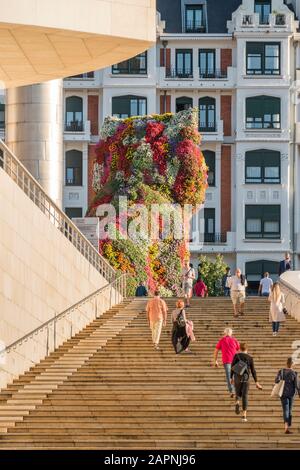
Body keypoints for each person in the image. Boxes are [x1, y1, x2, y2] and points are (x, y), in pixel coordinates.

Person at [231, 343, 263, 422]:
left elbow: (232, 367)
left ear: (240, 349)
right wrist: (256, 382)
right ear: (247, 349)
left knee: (237, 392)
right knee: (245, 395)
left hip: (237, 376)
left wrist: (231, 377)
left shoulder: (236, 356)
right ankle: (244, 416)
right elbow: (253, 371)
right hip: (246, 378)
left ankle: (237, 403)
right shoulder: (250, 358)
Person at [274, 357, 300, 434]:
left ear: (286, 363)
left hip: (283, 393)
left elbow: (276, 380)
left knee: (285, 410)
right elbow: (297, 385)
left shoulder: (281, 371)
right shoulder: (294, 373)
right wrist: (299, 393)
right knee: (290, 410)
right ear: (292, 364)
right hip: (291, 394)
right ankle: (288, 426)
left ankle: (286, 427)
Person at [214, 328, 240, 397]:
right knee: (234, 376)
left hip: (227, 361)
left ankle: (232, 391)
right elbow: (238, 349)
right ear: (231, 333)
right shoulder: (234, 340)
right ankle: (235, 390)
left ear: (224, 333)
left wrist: (215, 361)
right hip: (235, 361)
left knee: (229, 376)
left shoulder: (222, 340)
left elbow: (216, 350)